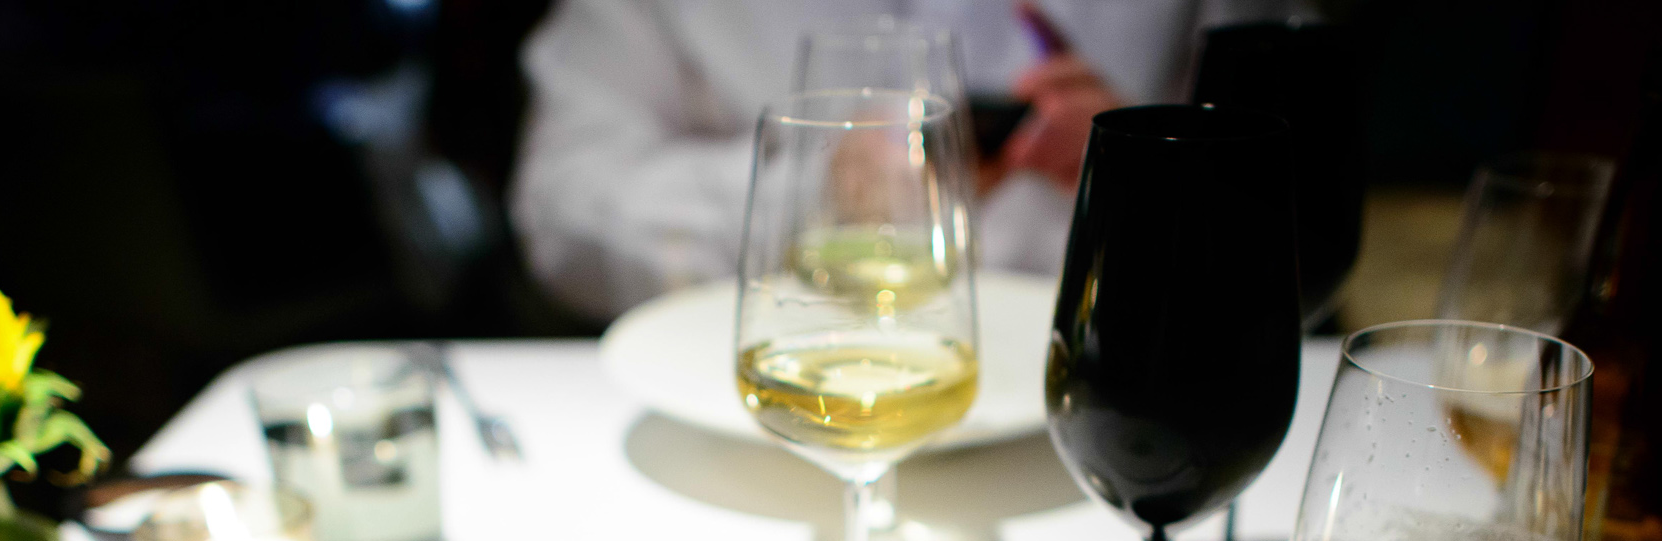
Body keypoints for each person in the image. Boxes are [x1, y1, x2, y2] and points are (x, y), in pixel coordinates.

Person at [511, 0, 1216, 321]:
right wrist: (818, 193)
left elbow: (1294, 203)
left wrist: (1162, 177)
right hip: (773, 400)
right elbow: (559, 207)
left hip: (1102, 388)